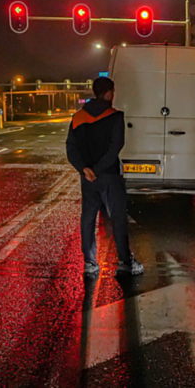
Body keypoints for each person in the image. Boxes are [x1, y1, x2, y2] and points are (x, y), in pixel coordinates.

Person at [66, 77, 144, 276]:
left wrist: (85, 169)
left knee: (88, 218)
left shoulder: (78, 118)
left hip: (88, 178)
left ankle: (90, 263)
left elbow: (71, 148)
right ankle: (125, 262)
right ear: (109, 93)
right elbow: (116, 146)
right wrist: (99, 169)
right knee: (117, 218)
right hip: (109, 176)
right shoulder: (115, 117)